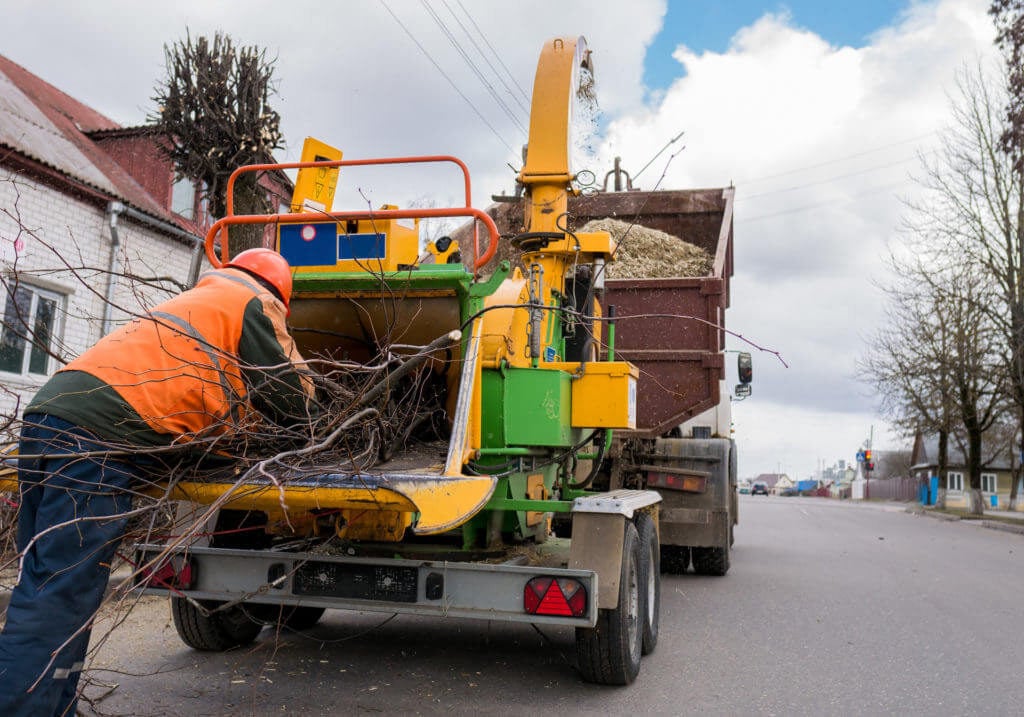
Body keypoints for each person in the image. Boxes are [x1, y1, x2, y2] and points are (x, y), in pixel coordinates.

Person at [0, 248, 316, 716]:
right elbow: (289, 396)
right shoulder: (251, 301)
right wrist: (318, 412)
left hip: (49, 417)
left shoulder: (195, 302)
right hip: (96, 437)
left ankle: (51, 707)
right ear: (278, 295)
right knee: (59, 593)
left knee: (48, 584)